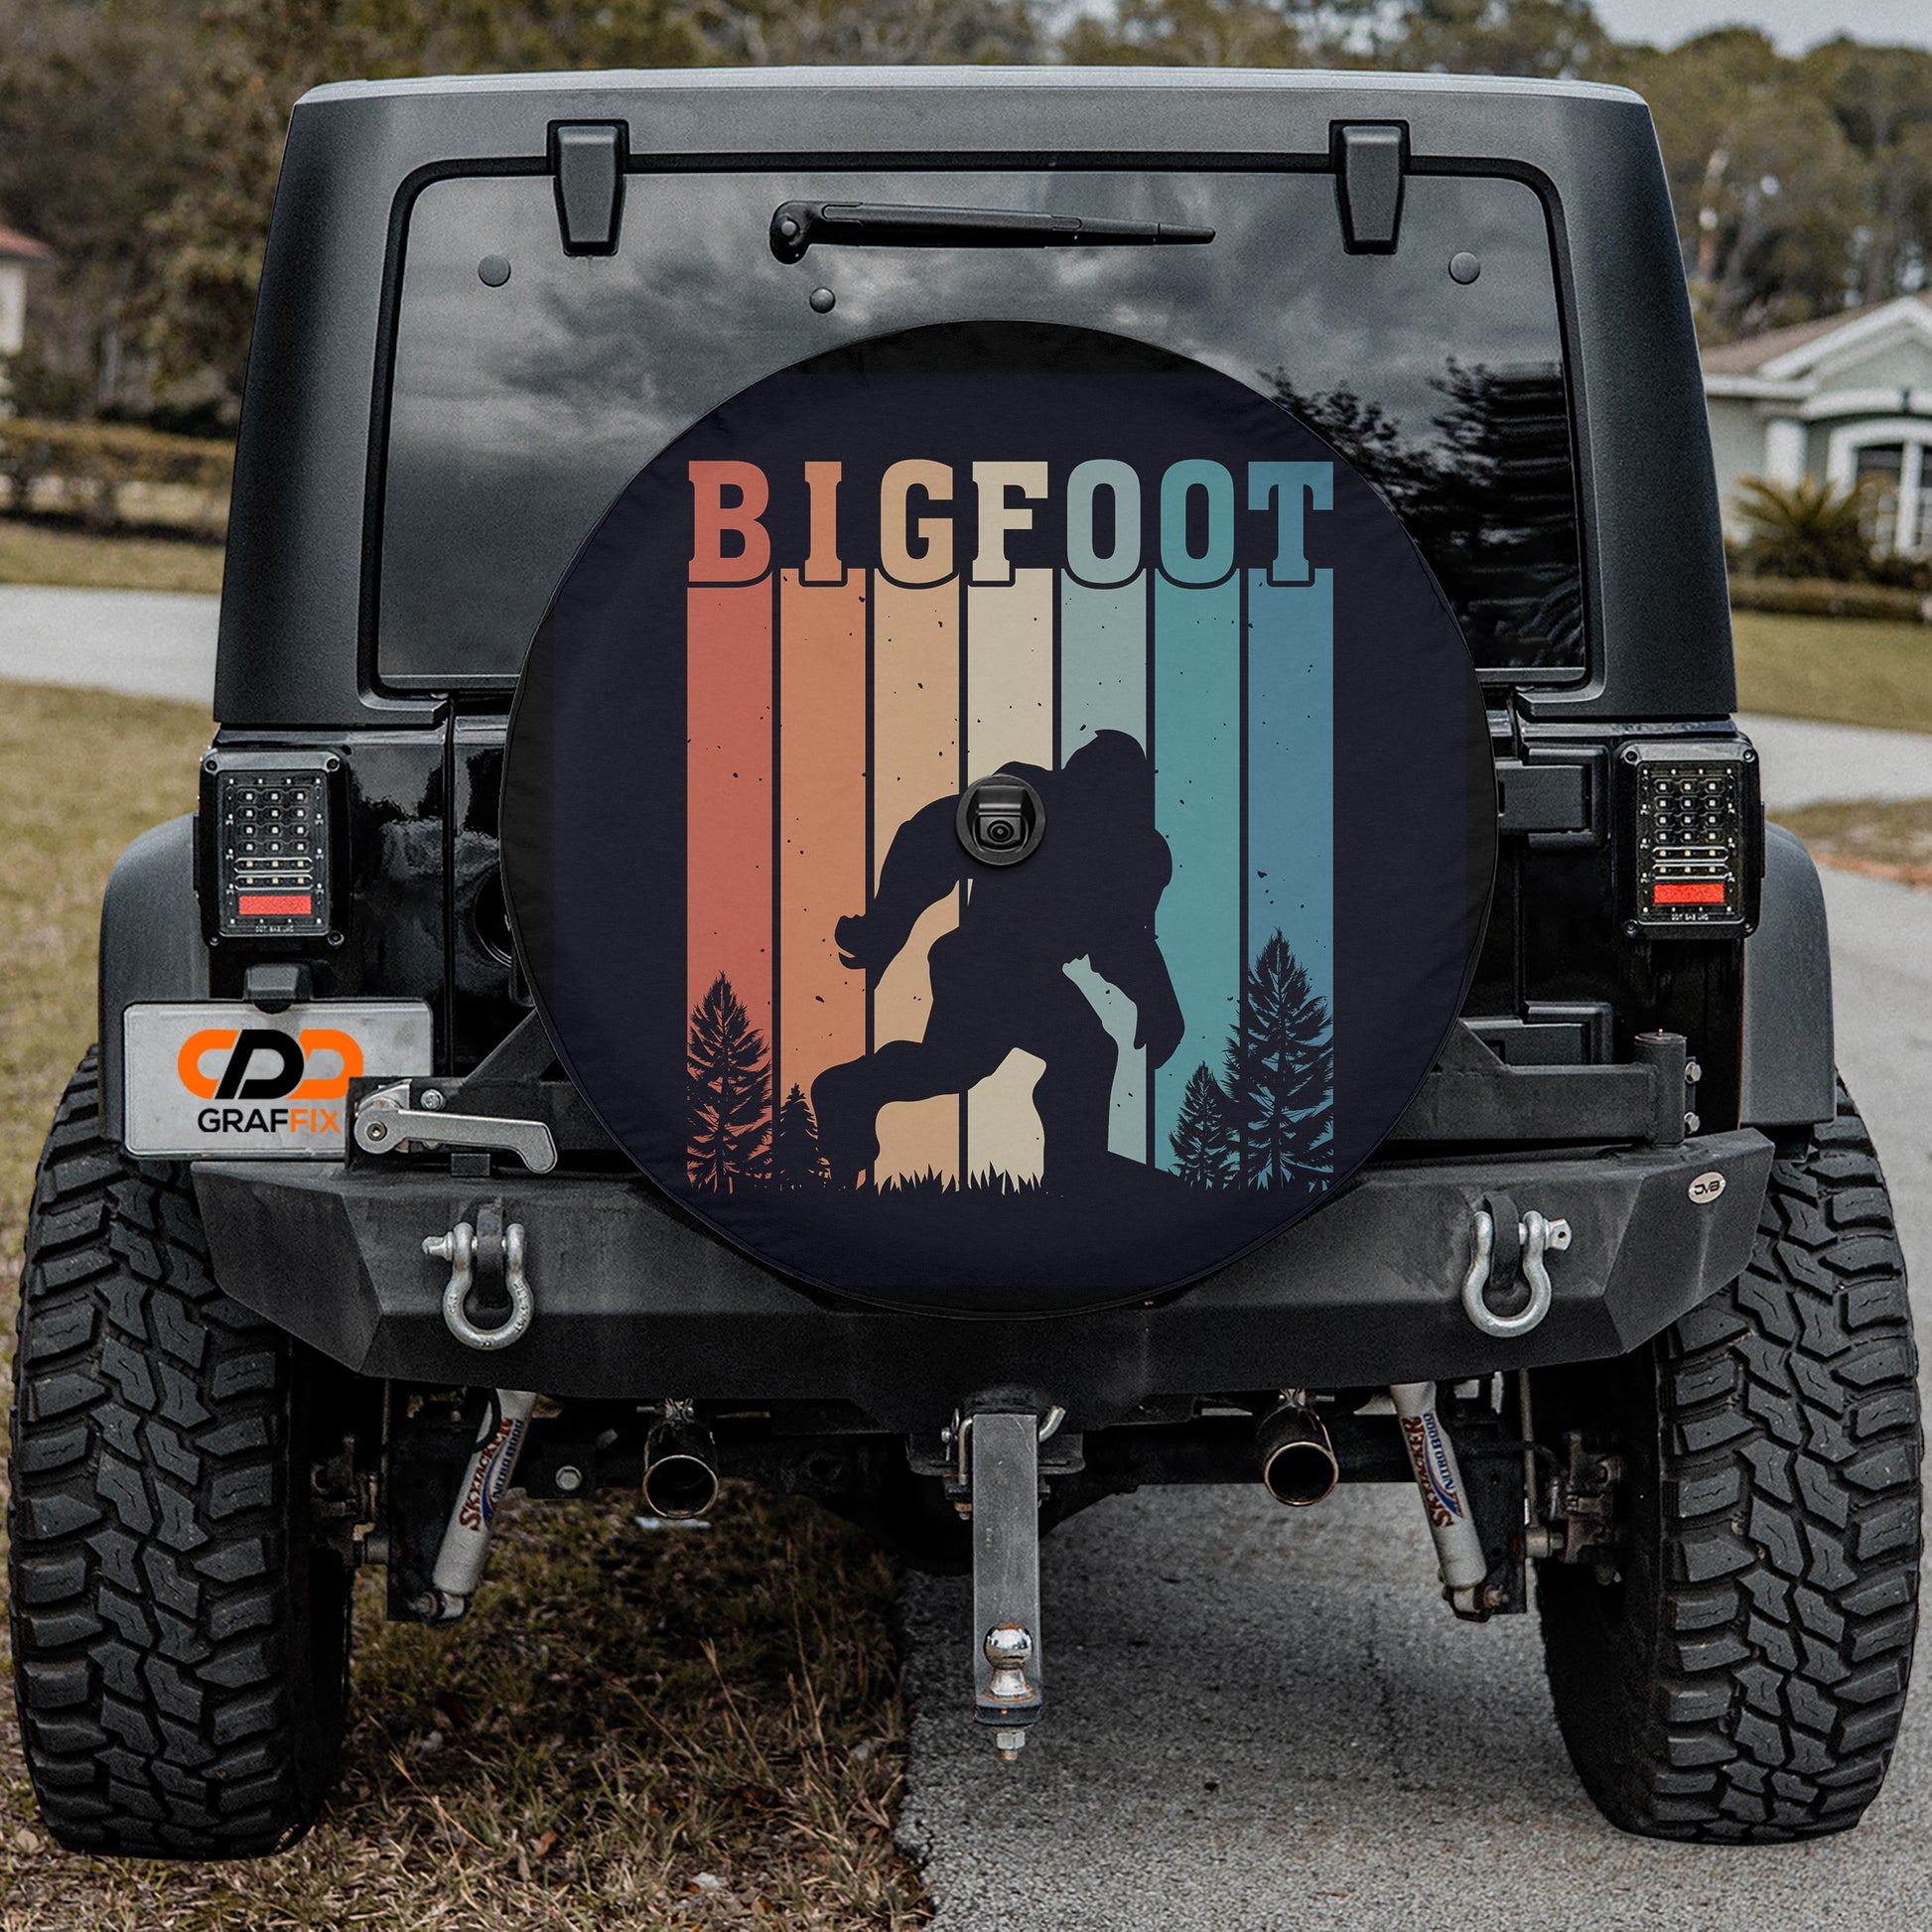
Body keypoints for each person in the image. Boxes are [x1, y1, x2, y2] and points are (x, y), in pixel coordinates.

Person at [813, 729, 1184, 1190]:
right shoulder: (1040, 807)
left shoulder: (1128, 852)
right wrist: (885, 925)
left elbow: (1120, 937)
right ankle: (1074, 1176)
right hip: (984, 961)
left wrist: (1157, 1001)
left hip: (1009, 970)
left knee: (957, 1066)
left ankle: (850, 1090)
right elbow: (931, 842)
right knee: (1078, 1055)